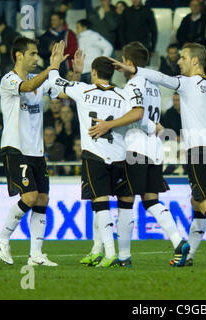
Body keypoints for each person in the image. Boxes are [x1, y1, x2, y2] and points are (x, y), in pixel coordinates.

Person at [109, 42, 206, 267]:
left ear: (195, 61)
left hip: (199, 152)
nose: (178, 61)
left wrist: (135, 70)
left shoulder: (187, 83)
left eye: (182, 57)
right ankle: (187, 256)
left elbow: (161, 78)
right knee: (197, 201)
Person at [87, 41, 190, 267]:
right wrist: (156, 128)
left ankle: (123, 256)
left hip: (136, 148)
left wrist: (109, 125)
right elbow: (151, 118)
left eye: (123, 61)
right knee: (151, 200)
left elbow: (137, 114)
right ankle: (178, 241)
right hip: (154, 150)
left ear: (129, 63)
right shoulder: (153, 85)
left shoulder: (134, 84)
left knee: (126, 201)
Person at [48, 52, 139, 268]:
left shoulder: (83, 90)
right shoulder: (124, 95)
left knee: (100, 204)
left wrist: (55, 63)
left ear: (95, 72)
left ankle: (109, 253)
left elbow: (55, 83)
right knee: (121, 204)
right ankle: (108, 252)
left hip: (94, 155)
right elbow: (136, 115)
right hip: (120, 155)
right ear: (113, 72)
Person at [0, 37, 67, 267]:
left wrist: (74, 76)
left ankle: (36, 254)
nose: (37, 58)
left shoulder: (38, 79)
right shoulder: (9, 80)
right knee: (30, 196)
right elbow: (27, 88)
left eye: (37, 54)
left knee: (42, 199)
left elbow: (62, 92)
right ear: (19, 56)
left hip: (36, 151)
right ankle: (1, 238)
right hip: (15, 148)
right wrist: (51, 68)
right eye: (33, 54)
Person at [38, 12, 78, 77]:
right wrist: (50, 51)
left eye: (55, 20)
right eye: (51, 20)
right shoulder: (45, 36)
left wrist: (57, 51)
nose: (52, 22)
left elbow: (73, 51)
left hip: (66, 71)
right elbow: (40, 52)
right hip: (50, 71)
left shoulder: (69, 33)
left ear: (61, 21)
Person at [76, 18, 113, 84]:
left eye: (78, 27)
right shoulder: (78, 38)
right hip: (82, 71)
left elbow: (108, 47)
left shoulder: (93, 36)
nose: (76, 30)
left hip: (92, 72)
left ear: (84, 27)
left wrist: (100, 62)